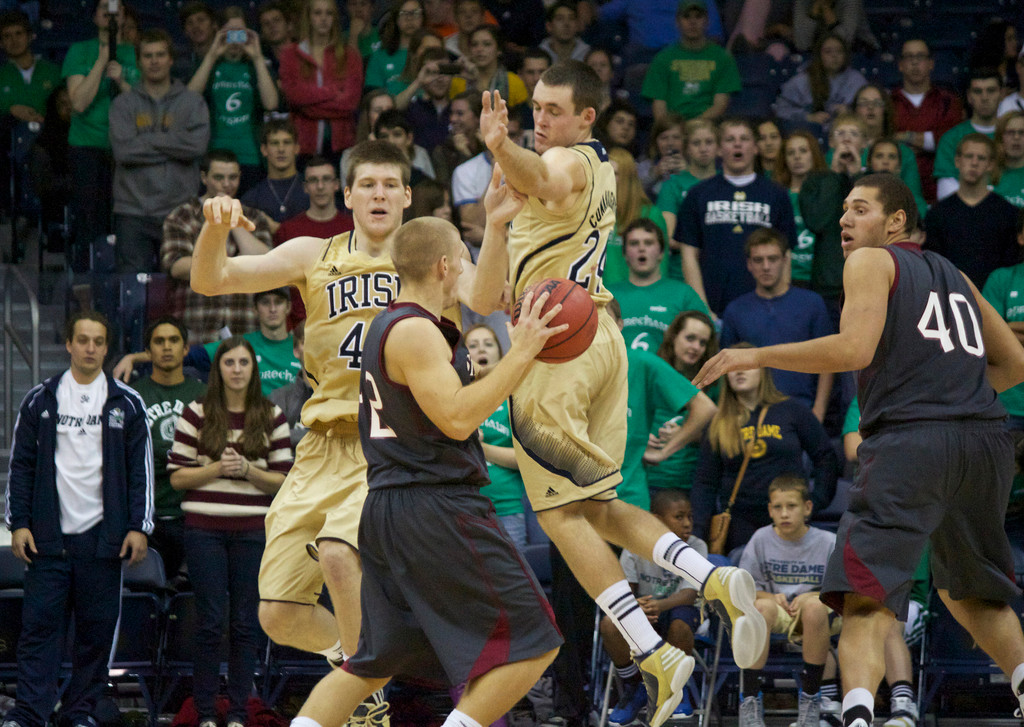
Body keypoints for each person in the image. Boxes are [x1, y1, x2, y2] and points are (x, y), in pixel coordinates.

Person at [474, 60, 769, 727]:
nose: (538, 119)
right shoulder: (534, 184)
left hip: (558, 345)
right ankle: (712, 577)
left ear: (586, 117)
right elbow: (482, 297)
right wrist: (493, 225)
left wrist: (498, 145)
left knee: (556, 515)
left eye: (552, 109)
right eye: (535, 110)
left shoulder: (579, 159)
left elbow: (544, 174)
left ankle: (651, 651)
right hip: (593, 340)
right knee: (600, 508)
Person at [692, 172, 1024, 727]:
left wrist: (754, 356)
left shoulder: (871, 262)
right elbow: (1015, 365)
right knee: (972, 595)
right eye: (843, 209)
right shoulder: (960, 277)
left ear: (896, 222)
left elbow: (853, 349)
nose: (845, 219)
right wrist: (951, 390)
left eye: (860, 208)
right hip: (984, 445)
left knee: (863, 599)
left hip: (912, 442)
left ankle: (857, 717)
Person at [281, 215, 562, 727]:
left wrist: (495, 221)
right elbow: (456, 418)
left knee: (371, 662)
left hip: (394, 505)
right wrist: (519, 354)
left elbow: (483, 292)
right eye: (463, 258)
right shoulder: (413, 331)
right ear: (443, 265)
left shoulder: (406, 323)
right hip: (436, 506)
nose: (468, 269)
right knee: (534, 642)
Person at [188, 141, 426, 727]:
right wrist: (214, 227)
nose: (378, 194)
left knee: (344, 557)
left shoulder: (428, 256)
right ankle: (360, 661)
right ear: (346, 196)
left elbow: (488, 293)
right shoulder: (311, 253)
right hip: (319, 446)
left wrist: (498, 225)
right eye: (366, 184)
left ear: (408, 196)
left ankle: (363, 693)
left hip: (388, 444)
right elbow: (210, 280)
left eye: (389, 185)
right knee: (278, 614)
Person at [3, 311, 153, 727]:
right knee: (38, 632)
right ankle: (30, 713)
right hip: (48, 538)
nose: (90, 348)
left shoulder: (127, 401)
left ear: (107, 347)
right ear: (68, 344)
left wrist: (140, 526)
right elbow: (21, 465)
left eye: (98, 341)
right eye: (82, 340)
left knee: (96, 634)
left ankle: (80, 712)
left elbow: (141, 469)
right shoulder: (41, 398)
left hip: (103, 539)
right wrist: (18, 522)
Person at [169, 336, 292, 727]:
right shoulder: (196, 412)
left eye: (243, 362)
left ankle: (239, 712)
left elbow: (285, 481)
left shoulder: (271, 415)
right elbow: (177, 477)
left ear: (253, 369)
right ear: (217, 369)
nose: (237, 369)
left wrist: (248, 471)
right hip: (203, 531)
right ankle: (205, 713)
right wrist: (217, 470)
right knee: (208, 622)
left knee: (244, 623)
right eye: (229, 362)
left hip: (253, 532)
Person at [689, 350, 838, 554]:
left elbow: (825, 457)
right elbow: (705, 483)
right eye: (731, 369)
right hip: (740, 523)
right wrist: (698, 531)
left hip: (788, 515)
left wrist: (815, 501)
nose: (738, 372)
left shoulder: (792, 410)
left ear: (763, 371)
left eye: (746, 366)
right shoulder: (717, 423)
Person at [737, 475, 839, 727]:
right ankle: (749, 701)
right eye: (777, 507)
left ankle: (811, 701)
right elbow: (743, 589)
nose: (784, 513)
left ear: (807, 508)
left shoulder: (828, 542)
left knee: (814, 607)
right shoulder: (760, 538)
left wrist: (814, 595)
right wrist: (769, 596)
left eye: (791, 506)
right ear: (769, 510)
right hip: (777, 610)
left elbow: (842, 590)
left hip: (820, 612)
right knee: (759, 608)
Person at [603, 489, 708, 725]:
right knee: (610, 624)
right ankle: (636, 688)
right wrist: (635, 604)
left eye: (689, 517)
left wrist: (659, 605)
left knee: (681, 624)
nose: (688, 523)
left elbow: (689, 595)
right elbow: (625, 587)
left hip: (679, 608)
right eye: (679, 517)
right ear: (657, 520)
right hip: (647, 611)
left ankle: (674, 689)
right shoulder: (634, 544)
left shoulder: (697, 546)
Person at [110, 28, 210, 273]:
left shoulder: (192, 101)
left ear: (171, 59)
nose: (154, 61)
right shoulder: (123, 103)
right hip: (132, 210)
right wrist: (174, 142)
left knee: (181, 286)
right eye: (148, 55)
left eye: (160, 54)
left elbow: (196, 147)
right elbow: (123, 152)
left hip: (180, 209)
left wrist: (146, 140)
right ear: (139, 61)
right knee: (133, 290)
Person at [677, 117, 796, 316]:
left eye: (744, 138)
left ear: (756, 147)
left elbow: (785, 256)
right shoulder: (698, 194)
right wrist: (701, 308)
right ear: (719, 149)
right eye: (730, 139)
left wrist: (779, 304)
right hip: (712, 306)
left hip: (764, 307)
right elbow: (688, 254)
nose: (737, 144)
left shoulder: (776, 194)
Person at [720, 228, 834, 420]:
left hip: (801, 409)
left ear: (785, 260)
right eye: (758, 260)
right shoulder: (735, 310)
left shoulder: (812, 303)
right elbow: (726, 367)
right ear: (749, 264)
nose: (766, 267)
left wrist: (819, 411)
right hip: (750, 413)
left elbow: (828, 360)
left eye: (772, 259)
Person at [161, 149, 272, 344]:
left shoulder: (254, 217)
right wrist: (233, 264)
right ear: (204, 177)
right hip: (197, 331)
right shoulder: (182, 216)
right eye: (219, 177)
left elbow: (265, 263)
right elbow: (178, 267)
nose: (227, 184)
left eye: (232, 177)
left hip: (244, 332)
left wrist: (232, 219)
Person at [62, 0, 138, 274]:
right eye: (103, 6)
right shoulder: (79, 51)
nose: (110, 11)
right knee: (88, 220)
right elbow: (79, 103)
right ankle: (85, 283)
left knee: (123, 219)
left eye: (116, 6)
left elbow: (147, 107)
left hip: (127, 151)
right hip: (88, 147)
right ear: (95, 16)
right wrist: (103, 59)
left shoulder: (137, 53)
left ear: (125, 15)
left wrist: (121, 81)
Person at [130, 315, 207, 583]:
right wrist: (182, 456)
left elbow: (210, 453)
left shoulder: (204, 395)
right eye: (159, 341)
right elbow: (131, 458)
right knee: (146, 601)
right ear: (148, 351)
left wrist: (160, 454)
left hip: (194, 517)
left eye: (174, 340)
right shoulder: (133, 396)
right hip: (146, 518)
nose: (166, 347)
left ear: (186, 349)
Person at [188, 5, 280, 193]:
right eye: (230, 33)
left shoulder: (255, 66)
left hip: (250, 157)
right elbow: (188, 99)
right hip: (215, 156)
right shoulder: (210, 65)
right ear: (219, 32)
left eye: (241, 32)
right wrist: (213, 53)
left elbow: (271, 103)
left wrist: (257, 56)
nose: (236, 39)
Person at [923, 133, 1019, 289]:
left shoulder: (1008, 213)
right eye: (969, 156)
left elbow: (1012, 267)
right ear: (957, 161)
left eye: (981, 158)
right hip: (949, 297)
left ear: (991, 165)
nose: (974, 163)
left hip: (994, 301)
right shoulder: (937, 214)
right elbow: (932, 266)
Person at [465, 324, 529, 548]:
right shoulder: (454, 397)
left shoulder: (514, 398)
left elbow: (526, 459)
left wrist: (481, 448)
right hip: (463, 510)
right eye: (472, 346)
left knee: (514, 581)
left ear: (500, 353)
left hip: (507, 508)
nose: (481, 350)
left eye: (488, 344)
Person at [646, 310, 720, 496]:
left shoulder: (713, 384)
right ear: (673, 337)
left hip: (691, 484)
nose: (696, 347)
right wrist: (640, 436)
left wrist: (690, 434)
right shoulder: (651, 373)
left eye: (703, 342)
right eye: (690, 338)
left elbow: (725, 435)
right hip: (647, 478)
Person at [278, 0, 363, 159]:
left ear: (335, 18)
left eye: (329, 13)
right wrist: (332, 92)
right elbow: (294, 96)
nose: (323, 18)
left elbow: (350, 103)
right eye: (317, 13)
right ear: (308, 17)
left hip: (342, 145)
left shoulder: (350, 56)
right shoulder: (290, 55)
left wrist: (308, 106)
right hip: (302, 146)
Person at [607, 219, 707, 352]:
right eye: (634, 243)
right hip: (617, 370)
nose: (641, 249)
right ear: (624, 254)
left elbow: (705, 339)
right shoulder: (607, 295)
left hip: (668, 371)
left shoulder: (684, 295)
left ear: (661, 253)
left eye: (648, 243)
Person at [641, 0, 740, 122]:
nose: (692, 22)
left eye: (698, 16)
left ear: (707, 21)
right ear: (677, 22)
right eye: (686, 16)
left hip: (709, 129)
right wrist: (672, 129)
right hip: (674, 129)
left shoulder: (723, 58)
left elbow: (720, 105)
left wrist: (693, 126)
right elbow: (659, 107)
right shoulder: (662, 59)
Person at [890, 38, 963, 204]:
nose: (915, 62)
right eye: (909, 57)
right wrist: (928, 143)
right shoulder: (889, 102)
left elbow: (950, 141)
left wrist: (905, 137)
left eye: (920, 56)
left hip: (941, 191)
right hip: (897, 191)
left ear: (931, 63)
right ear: (900, 64)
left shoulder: (948, 101)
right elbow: (886, 141)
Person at [772, 33, 867, 130]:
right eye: (828, 52)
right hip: (809, 133)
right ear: (819, 55)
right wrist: (808, 117)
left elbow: (869, 109)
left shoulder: (857, 80)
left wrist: (850, 111)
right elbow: (781, 109)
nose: (834, 56)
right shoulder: (802, 80)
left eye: (839, 51)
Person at [933, 67, 1001, 201]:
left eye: (991, 91)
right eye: (978, 91)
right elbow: (946, 193)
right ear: (969, 97)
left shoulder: (1013, 135)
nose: (985, 97)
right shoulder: (950, 139)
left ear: (1001, 93)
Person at [774, 130, 828, 288]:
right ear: (784, 159)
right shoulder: (778, 196)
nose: (797, 157)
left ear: (814, 155)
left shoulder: (828, 195)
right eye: (791, 153)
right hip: (786, 277)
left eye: (803, 151)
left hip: (819, 278)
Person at [241, 119, 311, 235]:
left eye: (287, 142)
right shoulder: (251, 198)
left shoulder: (313, 191)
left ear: (296, 148)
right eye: (274, 143)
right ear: (264, 150)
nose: (281, 149)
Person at [656, 117, 718, 245]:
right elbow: (669, 238)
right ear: (687, 148)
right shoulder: (672, 185)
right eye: (696, 143)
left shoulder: (728, 181)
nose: (703, 149)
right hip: (680, 263)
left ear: (719, 147)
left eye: (709, 142)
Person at [0, 10, 60, 125]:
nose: (14, 40)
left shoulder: (53, 71)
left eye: (19, 33)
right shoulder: (1, 75)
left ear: (30, 37)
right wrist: (11, 109)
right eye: (7, 36)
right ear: (1, 43)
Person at [365, 0, 425, 95]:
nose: (409, 18)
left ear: (423, 17)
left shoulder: (432, 50)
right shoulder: (379, 56)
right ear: (396, 19)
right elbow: (373, 97)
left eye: (415, 13)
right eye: (404, 13)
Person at [271, 320, 312, 450]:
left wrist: (292, 434)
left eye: (318, 342)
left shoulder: (339, 396)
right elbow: (272, 438)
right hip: (290, 467)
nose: (313, 348)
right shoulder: (278, 398)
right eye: (306, 342)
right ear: (296, 351)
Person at [637, 114, 687, 200]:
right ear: (655, 142)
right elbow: (632, 191)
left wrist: (688, 173)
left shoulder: (695, 164)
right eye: (664, 138)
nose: (670, 143)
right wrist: (654, 174)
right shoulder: (644, 165)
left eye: (676, 137)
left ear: (685, 141)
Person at [994, 111, 1024, 207]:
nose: (1016, 137)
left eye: (1022, 132)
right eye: (1010, 132)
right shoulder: (985, 174)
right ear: (1000, 137)